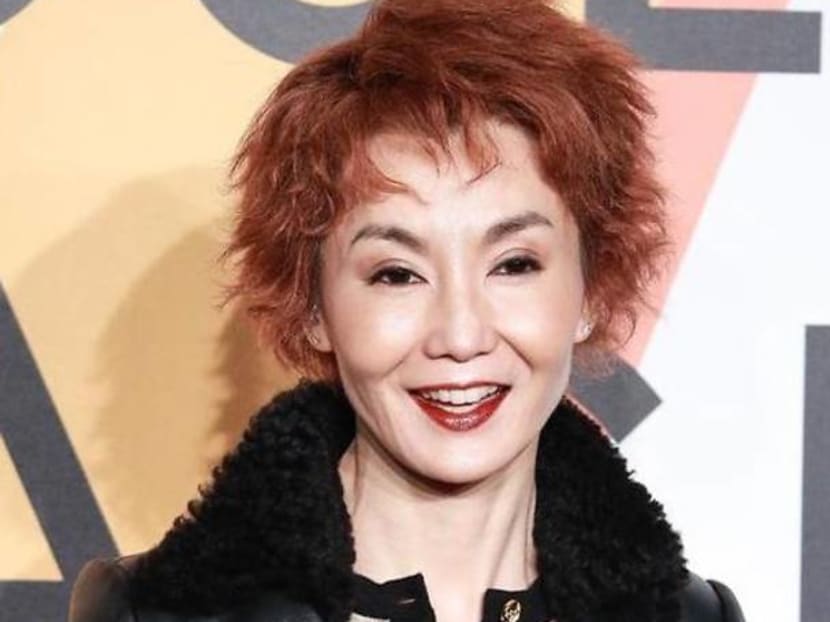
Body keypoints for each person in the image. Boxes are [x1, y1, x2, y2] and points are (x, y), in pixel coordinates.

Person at [68, 1, 746, 620]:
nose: (460, 335)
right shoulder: (155, 613)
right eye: (397, 274)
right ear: (313, 306)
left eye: (514, 264)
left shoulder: (691, 617)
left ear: (590, 290)